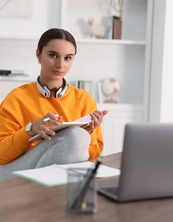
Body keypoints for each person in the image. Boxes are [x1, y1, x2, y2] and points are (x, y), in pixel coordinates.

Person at [0, 28, 108, 181]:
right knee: (77, 135)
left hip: (50, 177)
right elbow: (1, 156)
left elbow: (93, 157)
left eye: (68, 58)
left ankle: (42, 196)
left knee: (79, 136)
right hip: (11, 171)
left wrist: (89, 133)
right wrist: (30, 130)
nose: (60, 65)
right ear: (38, 54)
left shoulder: (85, 99)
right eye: (53, 55)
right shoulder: (17, 98)